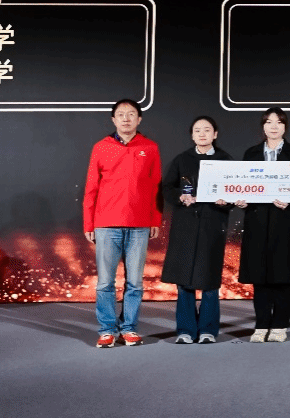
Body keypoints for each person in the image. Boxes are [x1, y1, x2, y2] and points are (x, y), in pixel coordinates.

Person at [83, 99, 162, 348]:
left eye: (131, 114)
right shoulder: (101, 147)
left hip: (139, 224)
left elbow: (156, 187)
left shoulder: (150, 147)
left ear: (139, 119)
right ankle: (107, 330)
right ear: (113, 120)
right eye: (121, 114)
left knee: (135, 283)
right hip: (106, 224)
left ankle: (129, 328)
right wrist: (89, 223)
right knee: (105, 283)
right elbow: (91, 187)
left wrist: (155, 219)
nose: (126, 119)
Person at [160, 116, 234, 344]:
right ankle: (185, 330)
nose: (202, 134)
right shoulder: (182, 159)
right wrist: (180, 197)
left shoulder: (226, 160)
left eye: (207, 130)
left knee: (210, 279)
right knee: (184, 279)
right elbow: (167, 187)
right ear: (192, 135)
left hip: (213, 224)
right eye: (197, 130)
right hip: (185, 225)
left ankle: (208, 330)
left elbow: (235, 190)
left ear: (215, 134)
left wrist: (227, 200)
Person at [237, 107, 290, 343]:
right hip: (257, 220)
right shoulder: (251, 153)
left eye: (279, 122)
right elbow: (243, 184)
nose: (274, 126)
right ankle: (261, 324)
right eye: (269, 122)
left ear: (285, 126)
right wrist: (242, 200)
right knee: (260, 275)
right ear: (263, 126)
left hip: (284, 220)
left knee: (283, 275)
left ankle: (279, 325)